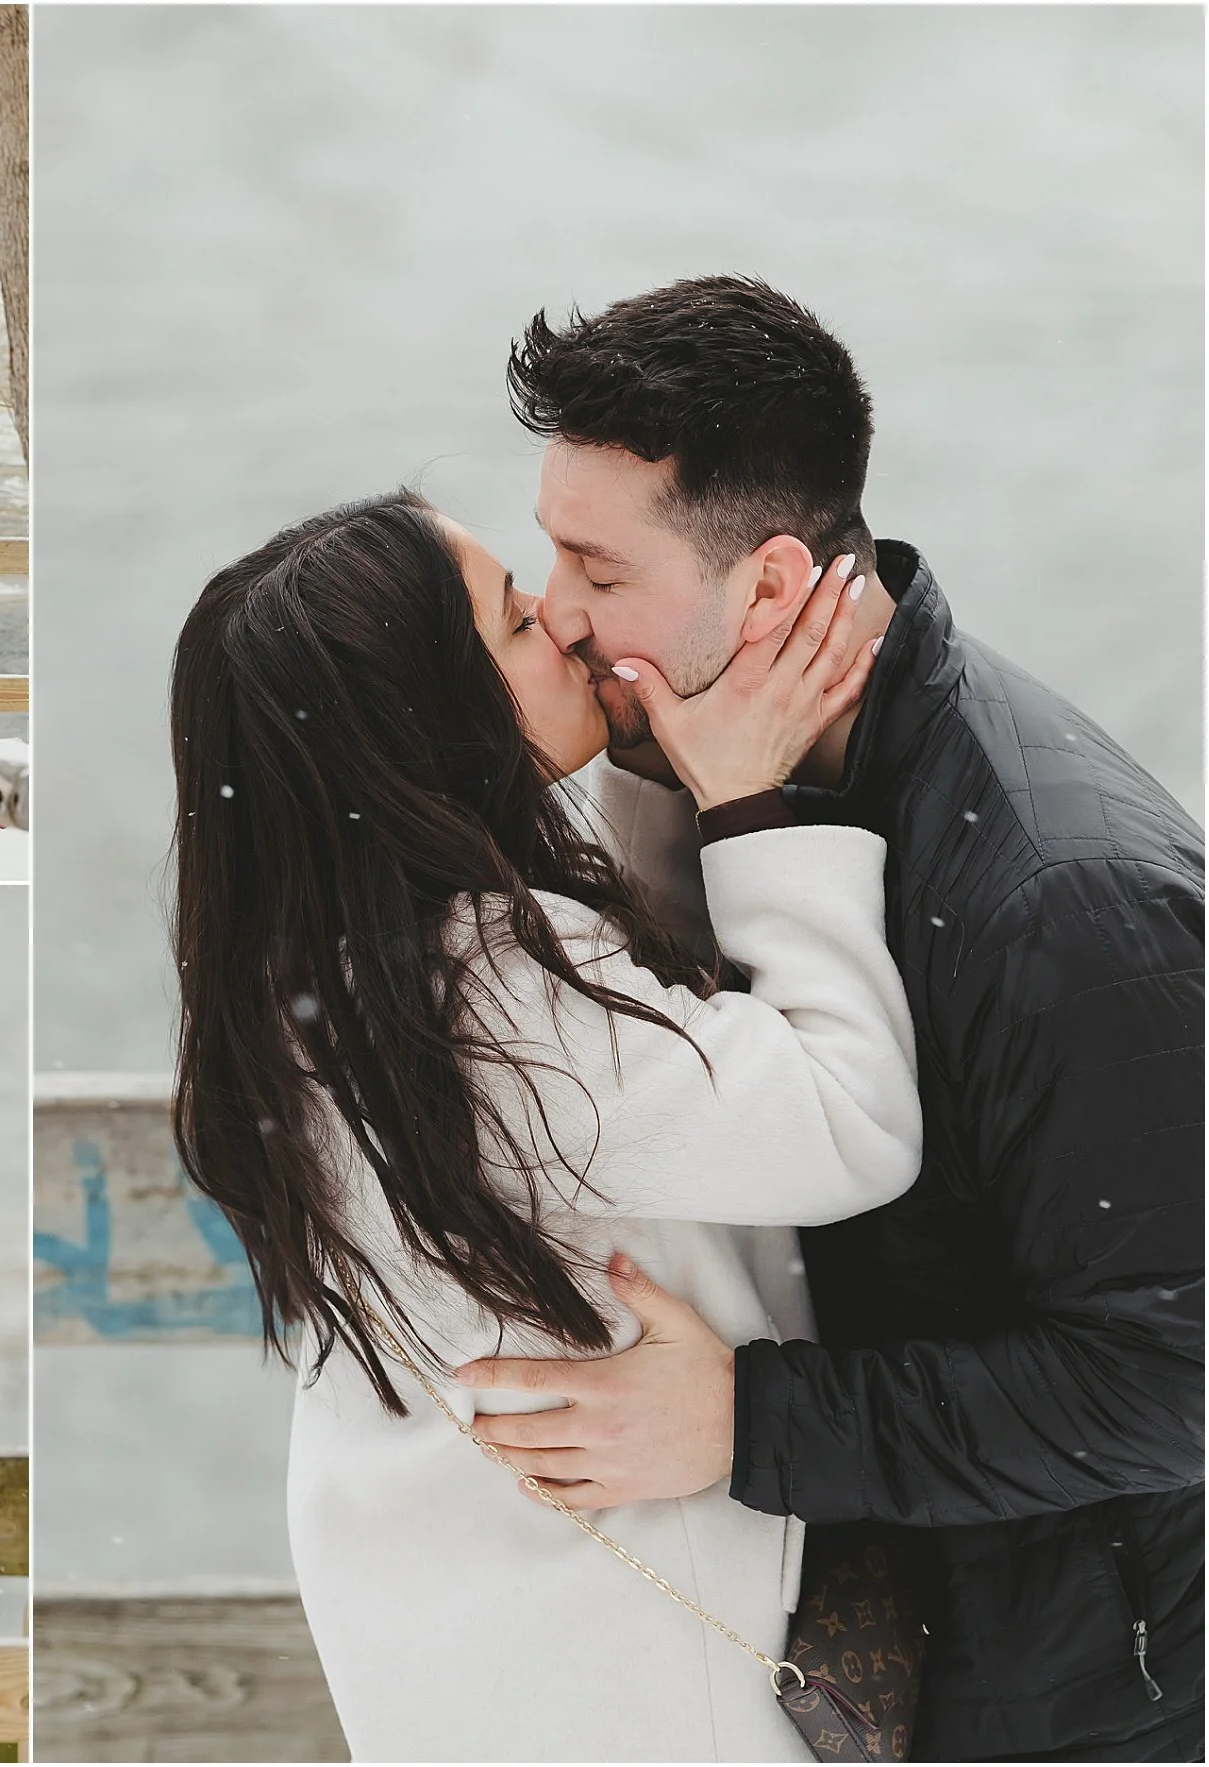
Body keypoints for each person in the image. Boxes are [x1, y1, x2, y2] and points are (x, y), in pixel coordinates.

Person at [458, 276, 1203, 1763]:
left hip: (1081, 1688)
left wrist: (746, 1421)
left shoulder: (1065, 897)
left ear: (774, 588)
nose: (555, 606)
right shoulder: (706, 760)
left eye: (596, 567)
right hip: (892, 1635)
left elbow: (1176, 1376)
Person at [172, 488, 916, 1759]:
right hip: (616, 1661)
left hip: (449, 1604)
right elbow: (852, 1124)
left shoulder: (308, 977)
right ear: (433, 724)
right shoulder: (498, 998)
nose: (566, 625)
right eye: (519, 622)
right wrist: (743, 803)